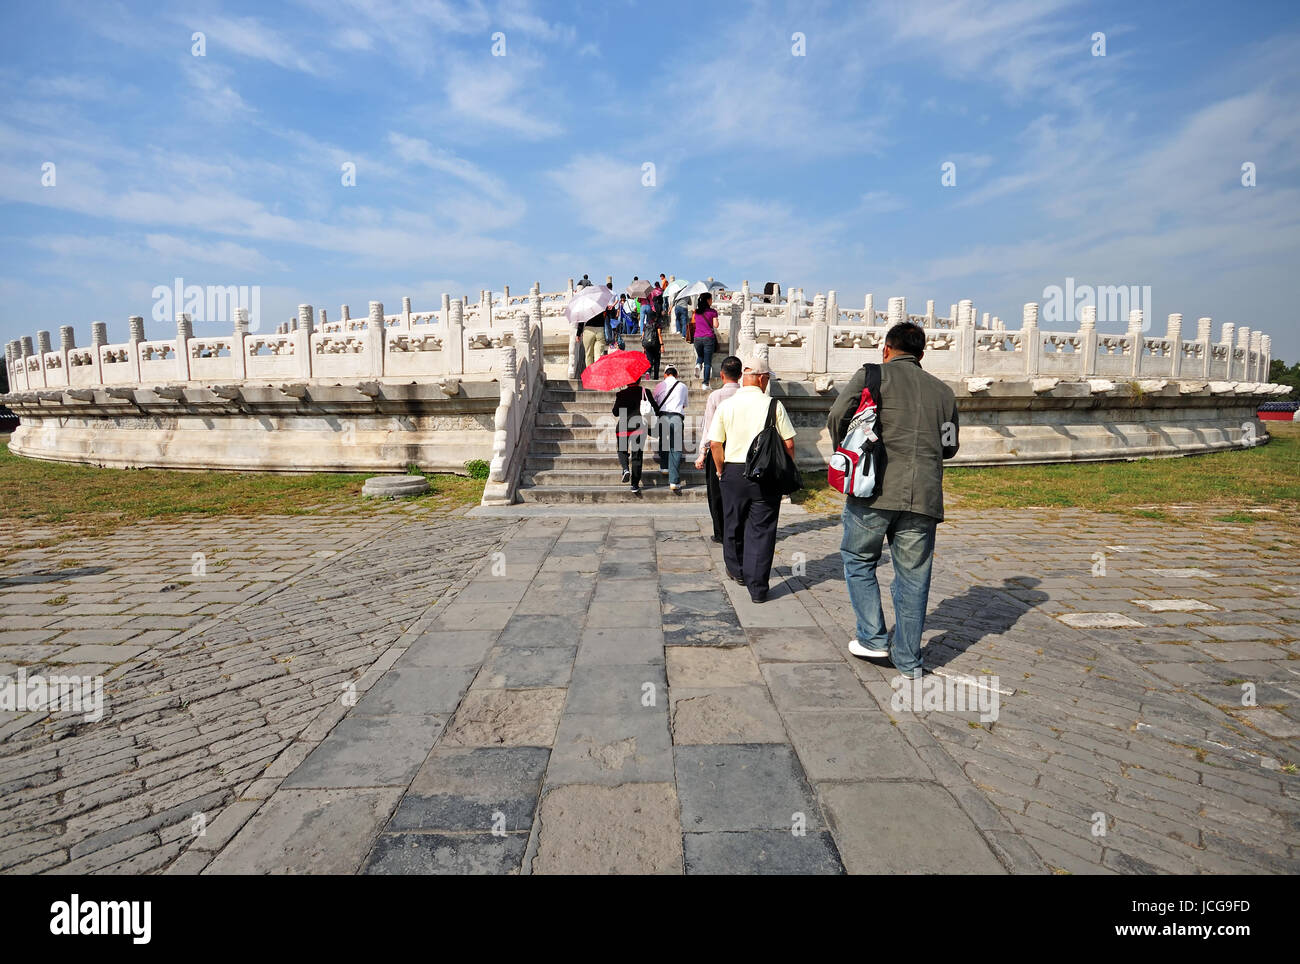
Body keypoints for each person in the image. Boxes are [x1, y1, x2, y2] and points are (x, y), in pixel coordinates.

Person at [827, 321, 960, 679]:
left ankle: (872, 637)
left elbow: (838, 415)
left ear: (886, 349)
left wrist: (851, 450)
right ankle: (909, 661)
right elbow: (949, 445)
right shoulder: (944, 393)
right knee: (914, 578)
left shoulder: (872, 375)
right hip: (923, 497)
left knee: (858, 558)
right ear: (921, 354)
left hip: (873, 490)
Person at [709, 357, 795, 603]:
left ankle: (737, 571)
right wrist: (786, 470)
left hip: (733, 471)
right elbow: (788, 443)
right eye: (767, 378)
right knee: (762, 529)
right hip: (766, 474)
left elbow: (715, 443)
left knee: (733, 522)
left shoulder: (727, 405)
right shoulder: (773, 405)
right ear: (761, 378)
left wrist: (720, 470)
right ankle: (757, 588)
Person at [696, 355, 742, 540]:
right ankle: (739, 530)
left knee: (716, 493)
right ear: (740, 375)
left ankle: (720, 532)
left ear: (722, 375)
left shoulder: (715, 396)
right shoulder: (745, 395)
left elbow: (709, 427)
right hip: (741, 448)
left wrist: (702, 453)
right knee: (739, 492)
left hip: (718, 448)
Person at [613, 380, 659, 494]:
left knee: (622, 450)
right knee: (637, 455)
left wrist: (621, 397)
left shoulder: (621, 393)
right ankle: (634, 485)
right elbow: (656, 409)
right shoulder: (645, 392)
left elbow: (615, 412)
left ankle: (625, 469)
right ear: (639, 380)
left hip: (623, 426)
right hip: (639, 427)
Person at [653, 365, 688, 494]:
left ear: (665, 374)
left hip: (662, 416)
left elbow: (655, 403)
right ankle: (674, 481)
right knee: (676, 447)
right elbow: (684, 404)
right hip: (677, 417)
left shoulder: (659, 386)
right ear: (676, 375)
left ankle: (664, 467)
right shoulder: (683, 386)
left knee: (663, 440)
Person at [692, 292, 720, 388]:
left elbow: (693, 322)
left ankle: (698, 364)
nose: (712, 301)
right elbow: (716, 325)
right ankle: (705, 383)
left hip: (697, 338)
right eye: (711, 299)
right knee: (707, 362)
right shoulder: (713, 312)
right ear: (708, 300)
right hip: (708, 337)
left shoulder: (696, 312)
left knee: (700, 355)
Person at [640, 297, 661, 379]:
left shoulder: (646, 325)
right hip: (656, 344)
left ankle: (648, 372)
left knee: (649, 360)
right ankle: (656, 377)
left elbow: (643, 336)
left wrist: (644, 346)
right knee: (656, 361)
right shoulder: (657, 324)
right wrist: (662, 345)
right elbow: (659, 335)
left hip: (647, 344)